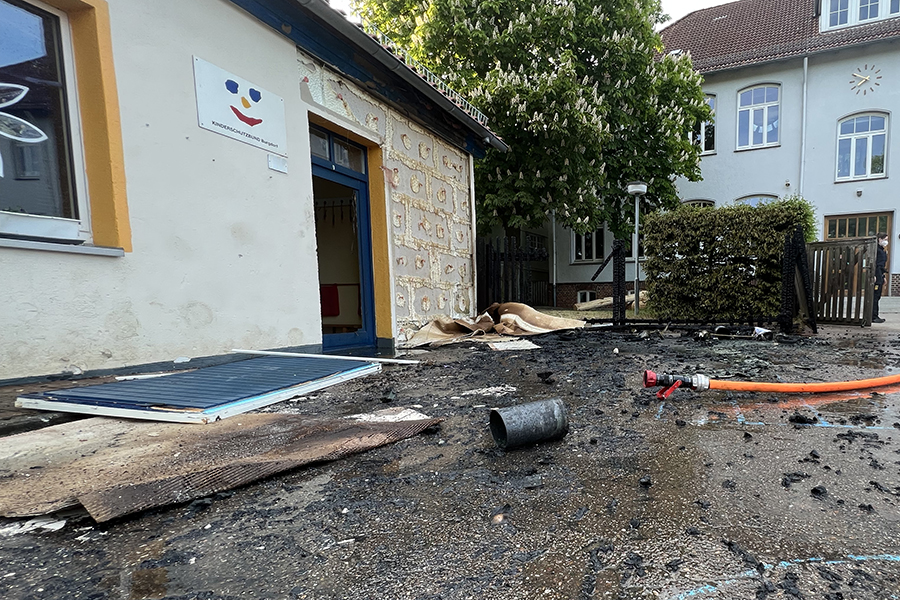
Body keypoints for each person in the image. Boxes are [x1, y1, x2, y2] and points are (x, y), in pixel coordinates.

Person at [873, 232, 888, 323]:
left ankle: (875, 315)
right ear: (880, 239)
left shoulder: (882, 250)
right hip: (877, 274)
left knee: (877, 296)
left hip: (880, 274)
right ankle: (873, 316)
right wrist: (874, 275)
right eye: (885, 239)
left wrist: (883, 277)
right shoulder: (876, 250)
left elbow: (882, 266)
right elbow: (875, 264)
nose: (886, 241)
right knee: (875, 296)